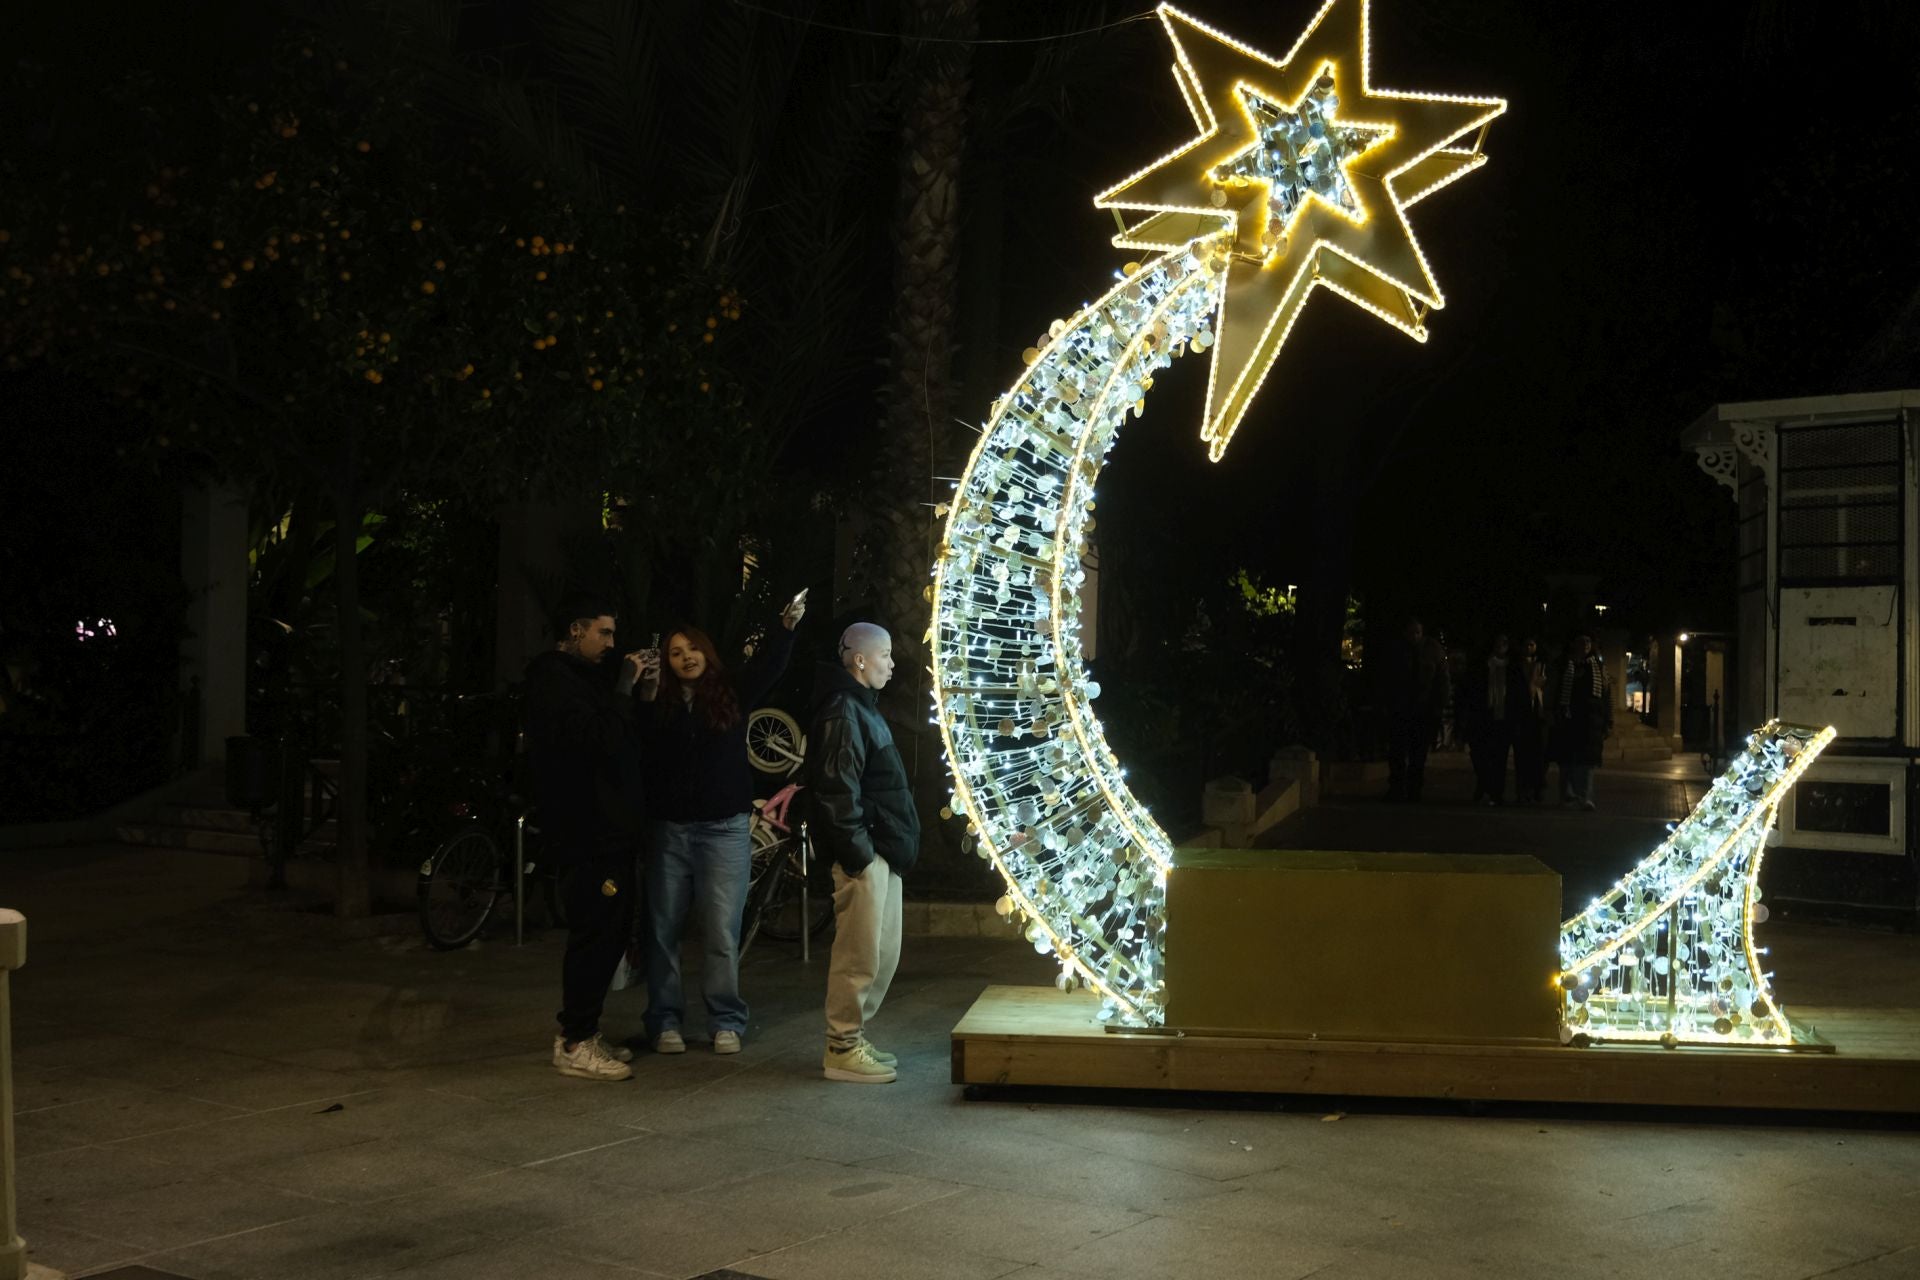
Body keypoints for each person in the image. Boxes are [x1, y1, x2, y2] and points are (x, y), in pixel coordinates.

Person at [636, 593, 806, 1055]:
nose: (686, 657)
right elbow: (642, 748)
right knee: (662, 930)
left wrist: (785, 629)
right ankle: (664, 1021)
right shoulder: (656, 701)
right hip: (670, 829)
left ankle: (725, 1019)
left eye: (692, 648)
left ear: (707, 652)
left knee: (721, 930)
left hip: (724, 829)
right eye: (676, 652)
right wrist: (644, 693)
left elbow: (770, 667)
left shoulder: (731, 691)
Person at [523, 594, 648, 1082]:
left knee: (609, 932)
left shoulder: (583, 677)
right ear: (575, 630)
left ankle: (584, 1031)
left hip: (609, 830)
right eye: (604, 632)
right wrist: (624, 686)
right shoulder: (553, 679)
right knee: (594, 933)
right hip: (587, 832)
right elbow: (598, 739)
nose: (611, 643)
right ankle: (575, 1040)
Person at [806, 622, 919, 1083]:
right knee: (860, 956)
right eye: (885, 655)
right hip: (866, 854)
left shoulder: (858, 707)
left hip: (878, 850)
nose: (891, 664)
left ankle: (851, 1038)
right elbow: (837, 790)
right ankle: (842, 1047)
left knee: (879, 953)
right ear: (859, 659)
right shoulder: (844, 710)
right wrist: (860, 856)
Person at [1383, 617, 1448, 803]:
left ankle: (1414, 789)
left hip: (1423, 710)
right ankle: (1397, 788)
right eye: (1411, 632)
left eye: (1417, 632)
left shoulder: (1432, 650)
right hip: (1401, 708)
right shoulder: (1397, 650)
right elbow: (1387, 679)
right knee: (1397, 751)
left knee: (1418, 753)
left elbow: (1442, 680)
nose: (1414, 636)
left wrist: (1438, 706)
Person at [1553, 631, 1611, 811]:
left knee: (1587, 762)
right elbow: (1555, 690)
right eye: (1581, 641)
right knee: (1566, 760)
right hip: (1568, 719)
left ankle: (1585, 797)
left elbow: (1606, 695)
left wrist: (1608, 721)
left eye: (1588, 642)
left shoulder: (1598, 667)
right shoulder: (1565, 664)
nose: (1585, 645)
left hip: (1590, 721)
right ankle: (1566, 794)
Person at [1465, 634, 1513, 805]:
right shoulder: (1483, 666)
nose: (1501, 646)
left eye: (1504, 643)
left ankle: (1495, 792)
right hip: (1484, 716)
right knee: (1481, 755)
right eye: (1498, 643)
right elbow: (1472, 690)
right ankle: (1485, 784)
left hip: (1503, 716)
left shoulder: (1511, 667)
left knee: (1499, 758)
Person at [1510, 636, 1550, 805]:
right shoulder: (1516, 666)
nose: (1528, 648)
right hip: (1522, 713)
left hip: (1538, 713)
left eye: (1532, 645)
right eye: (1526, 644)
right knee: (1522, 755)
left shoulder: (1542, 665)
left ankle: (1536, 790)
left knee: (1538, 755)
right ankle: (1523, 791)